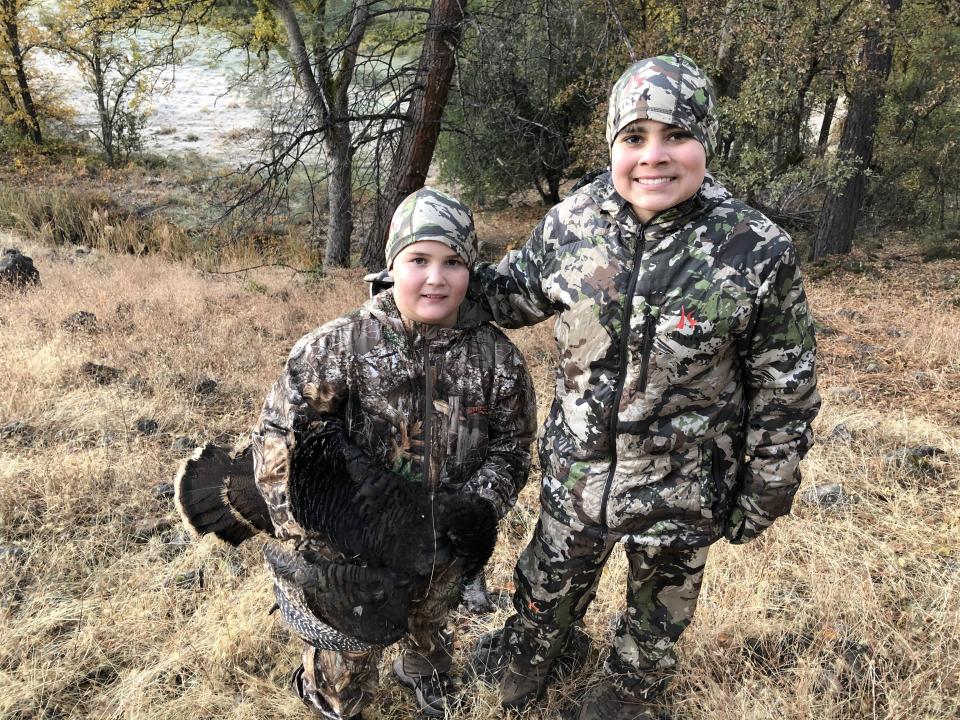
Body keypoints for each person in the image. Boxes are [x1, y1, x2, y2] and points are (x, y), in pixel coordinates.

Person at [468, 53, 821, 719]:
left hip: (683, 486)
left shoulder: (754, 249)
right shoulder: (575, 223)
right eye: (634, 138)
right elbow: (509, 292)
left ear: (705, 142)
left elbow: (786, 384)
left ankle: (630, 689)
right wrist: (427, 289)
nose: (653, 157)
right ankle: (537, 648)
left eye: (675, 136)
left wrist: (769, 482)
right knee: (547, 580)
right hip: (578, 474)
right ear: (613, 146)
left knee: (659, 610)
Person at [252, 187, 537, 719]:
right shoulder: (338, 347)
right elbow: (275, 443)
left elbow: (513, 446)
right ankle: (330, 695)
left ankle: (423, 669)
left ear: (470, 270)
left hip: (440, 541)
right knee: (343, 671)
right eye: (419, 260)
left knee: (430, 623)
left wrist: (475, 509)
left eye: (453, 262)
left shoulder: (497, 358)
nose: (436, 277)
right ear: (392, 264)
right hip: (351, 548)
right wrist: (307, 533)